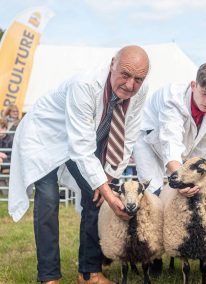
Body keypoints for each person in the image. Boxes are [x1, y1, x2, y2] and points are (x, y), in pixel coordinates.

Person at [8, 45, 150, 284]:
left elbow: (128, 135)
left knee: (95, 196)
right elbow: (82, 147)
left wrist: (108, 179)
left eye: (138, 79)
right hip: (43, 136)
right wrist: (104, 186)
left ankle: (89, 273)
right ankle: (49, 277)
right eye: (125, 74)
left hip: (78, 138)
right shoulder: (85, 85)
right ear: (112, 63)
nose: (130, 85)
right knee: (49, 199)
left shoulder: (140, 91)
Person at [134, 62, 206, 197]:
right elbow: (171, 141)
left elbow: (205, 148)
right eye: (204, 93)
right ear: (194, 85)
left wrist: (196, 177)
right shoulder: (173, 98)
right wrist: (183, 180)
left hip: (182, 148)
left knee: (191, 191)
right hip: (149, 142)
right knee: (153, 190)